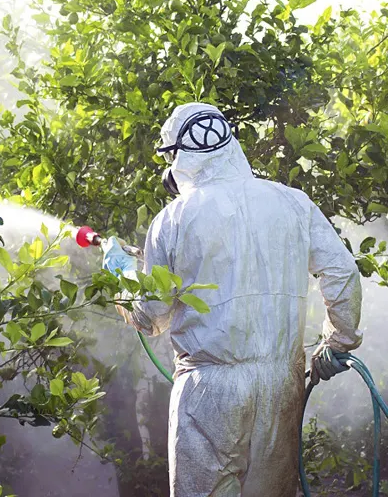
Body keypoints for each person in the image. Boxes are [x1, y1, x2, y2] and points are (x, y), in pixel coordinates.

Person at [102, 102, 362, 497]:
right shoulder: (292, 201)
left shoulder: (173, 219)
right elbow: (342, 272)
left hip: (210, 391)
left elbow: (150, 315)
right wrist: (337, 342)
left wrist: (121, 273)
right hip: (280, 385)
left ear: (179, 159)